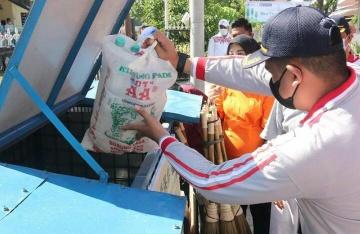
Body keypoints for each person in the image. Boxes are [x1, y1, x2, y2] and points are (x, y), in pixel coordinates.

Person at [127, 6, 360, 233]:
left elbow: (211, 181)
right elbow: (251, 72)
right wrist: (181, 61)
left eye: (272, 73)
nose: (267, 80)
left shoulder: (316, 145)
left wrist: (161, 136)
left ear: (296, 76)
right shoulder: (348, 78)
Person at [211, 34, 274, 234]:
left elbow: (269, 132)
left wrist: (254, 164)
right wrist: (211, 100)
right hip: (227, 163)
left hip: (257, 167)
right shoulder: (226, 85)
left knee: (261, 215)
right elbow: (217, 118)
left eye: (241, 53)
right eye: (231, 54)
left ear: (253, 56)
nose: (235, 58)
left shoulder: (266, 88)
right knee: (236, 214)